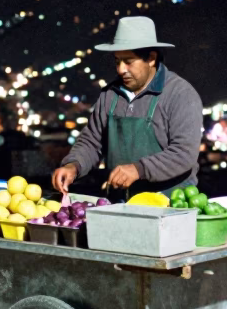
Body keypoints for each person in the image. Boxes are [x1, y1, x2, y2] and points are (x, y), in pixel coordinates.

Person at [52, 16, 203, 199]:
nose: (121, 69)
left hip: (171, 205)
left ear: (152, 58)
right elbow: (92, 141)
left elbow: (183, 153)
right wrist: (73, 165)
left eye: (128, 61)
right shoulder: (109, 95)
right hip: (120, 202)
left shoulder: (180, 95)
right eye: (117, 61)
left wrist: (138, 169)